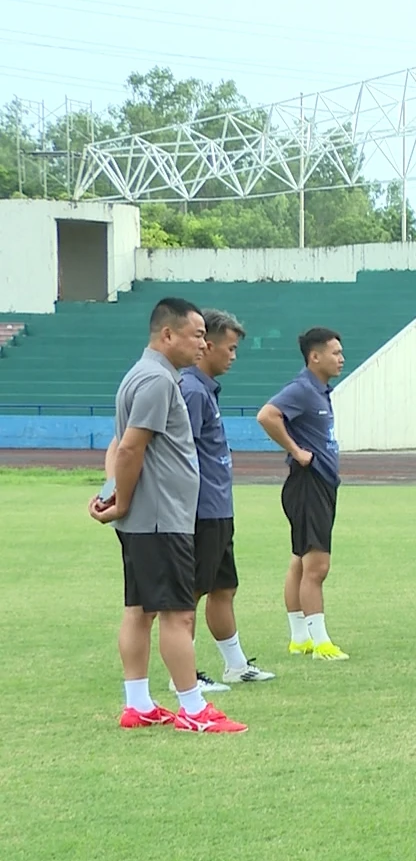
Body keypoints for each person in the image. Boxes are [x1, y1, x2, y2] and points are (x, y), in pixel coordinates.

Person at [93, 297, 245, 732]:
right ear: (168, 335)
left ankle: (138, 703)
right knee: (177, 614)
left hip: (148, 518)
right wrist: (119, 500)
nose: (203, 344)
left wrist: (111, 495)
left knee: (139, 610)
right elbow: (129, 447)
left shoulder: (142, 376)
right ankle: (194, 709)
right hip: (161, 519)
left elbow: (120, 443)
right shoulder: (159, 381)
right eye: (197, 335)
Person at [181, 308, 273, 689]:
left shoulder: (205, 390)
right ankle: (182, 676)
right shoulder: (190, 389)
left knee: (223, 587)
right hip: (200, 509)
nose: (233, 356)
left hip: (218, 507)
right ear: (206, 346)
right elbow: (174, 448)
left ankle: (235, 664)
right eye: (229, 348)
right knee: (193, 590)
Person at [258, 326, 349, 661]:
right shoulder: (302, 389)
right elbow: (267, 415)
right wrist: (296, 451)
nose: (341, 358)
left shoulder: (319, 390)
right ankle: (321, 641)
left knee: (300, 559)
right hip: (308, 483)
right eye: (335, 352)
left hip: (320, 483)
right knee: (317, 565)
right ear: (315, 356)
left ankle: (299, 638)